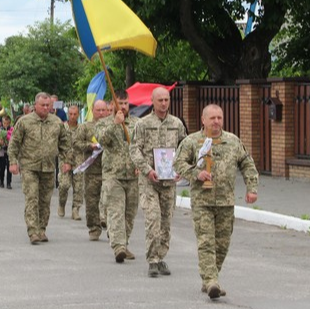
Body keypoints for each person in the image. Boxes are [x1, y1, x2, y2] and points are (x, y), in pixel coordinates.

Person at [173, 104, 258, 299]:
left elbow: (247, 163)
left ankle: (210, 278)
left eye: (219, 118)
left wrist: (251, 188)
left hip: (226, 202)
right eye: (212, 118)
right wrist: (196, 173)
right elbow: (178, 163)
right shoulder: (192, 141)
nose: (216, 122)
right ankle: (211, 281)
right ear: (203, 120)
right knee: (206, 242)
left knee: (222, 245)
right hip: (202, 201)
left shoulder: (232, 141)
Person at [129, 87, 187, 277]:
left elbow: (184, 150)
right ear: (152, 102)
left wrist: (181, 169)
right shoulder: (143, 124)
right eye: (160, 100)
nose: (164, 103)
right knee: (153, 220)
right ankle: (152, 260)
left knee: (166, 223)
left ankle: (161, 257)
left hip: (169, 181)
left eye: (166, 100)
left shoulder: (177, 124)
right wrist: (147, 170)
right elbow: (134, 150)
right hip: (149, 181)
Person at [8, 92, 72, 245]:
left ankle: (42, 229)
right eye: (42, 105)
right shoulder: (24, 122)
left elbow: (65, 143)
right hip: (29, 166)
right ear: (35, 105)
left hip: (49, 167)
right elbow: (14, 143)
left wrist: (67, 161)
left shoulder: (57, 122)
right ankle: (32, 231)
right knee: (32, 198)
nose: (45, 108)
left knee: (45, 200)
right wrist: (13, 162)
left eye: (47, 105)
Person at [94, 90, 139, 263]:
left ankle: (124, 243)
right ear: (112, 105)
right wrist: (115, 124)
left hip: (133, 176)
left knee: (129, 214)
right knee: (115, 212)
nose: (123, 107)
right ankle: (118, 246)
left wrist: (140, 166)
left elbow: (142, 146)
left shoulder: (137, 123)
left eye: (126, 103)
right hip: (113, 175)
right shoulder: (103, 123)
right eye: (120, 103)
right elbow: (102, 140)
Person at [75, 100, 109, 240]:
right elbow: (76, 143)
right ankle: (94, 228)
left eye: (103, 110)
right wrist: (90, 146)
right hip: (92, 170)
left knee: (109, 199)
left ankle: (109, 224)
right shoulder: (85, 127)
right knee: (91, 200)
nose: (101, 113)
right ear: (92, 110)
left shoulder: (112, 126)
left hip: (110, 170)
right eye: (98, 110)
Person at [57, 105, 84, 220]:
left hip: (79, 161)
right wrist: (65, 161)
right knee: (64, 185)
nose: (73, 116)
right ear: (68, 114)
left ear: (78, 115)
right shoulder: (62, 127)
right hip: (64, 160)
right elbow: (58, 145)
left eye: (75, 114)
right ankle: (62, 204)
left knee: (78, 187)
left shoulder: (82, 128)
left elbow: (88, 141)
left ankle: (75, 210)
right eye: (71, 114)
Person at [0, 115, 13, 189]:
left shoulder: (12, 129)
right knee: (2, 167)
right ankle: (1, 181)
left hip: (10, 151)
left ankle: (9, 183)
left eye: (7, 123)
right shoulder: (0, 130)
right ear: (2, 123)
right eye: (4, 123)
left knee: (10, 167)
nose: (6, 125)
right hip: (2, 150)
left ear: (9, 123)